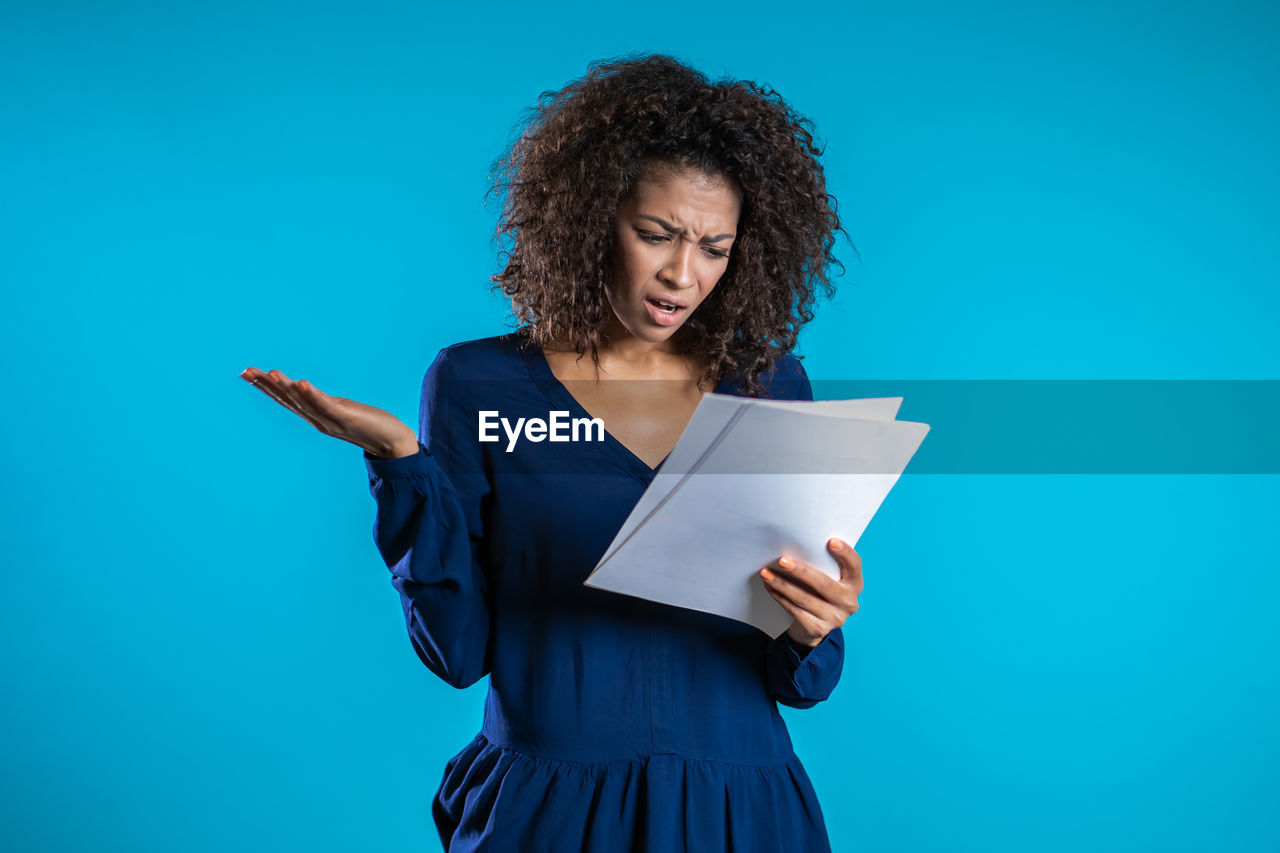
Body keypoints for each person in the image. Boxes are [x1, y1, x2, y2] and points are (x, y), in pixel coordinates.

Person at [241, 54, 864, 852]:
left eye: (714, 246)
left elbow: (802, 679)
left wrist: (813, 625)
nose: (682, 273)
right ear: (593, 217)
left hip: (739, 810)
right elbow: (458, 651)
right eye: (656, 234)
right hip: (554, 813)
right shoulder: (479, 383)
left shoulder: (771, 386)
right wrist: (402, 462)